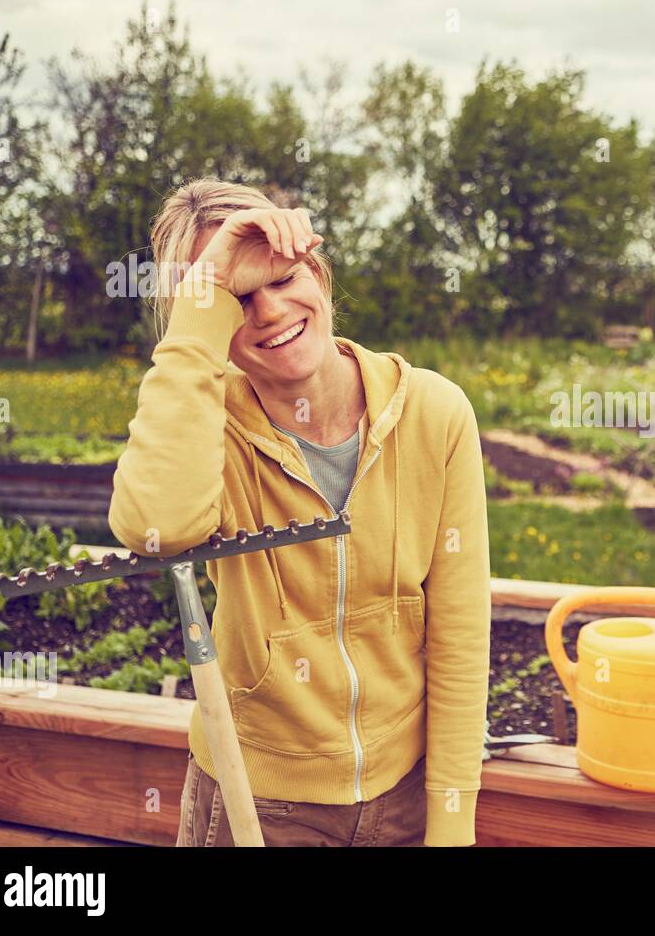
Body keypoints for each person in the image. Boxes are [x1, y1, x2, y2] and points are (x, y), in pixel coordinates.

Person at [108, 178, 491, 846]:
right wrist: (200, 307)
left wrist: (451, 826)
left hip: (404, 801)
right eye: (237, 298)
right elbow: (157, 527)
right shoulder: (208, 429)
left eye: (283, 279)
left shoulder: (434, 414)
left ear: (318, 271)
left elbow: (460, 636)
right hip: (254, 802)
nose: (269, 312)